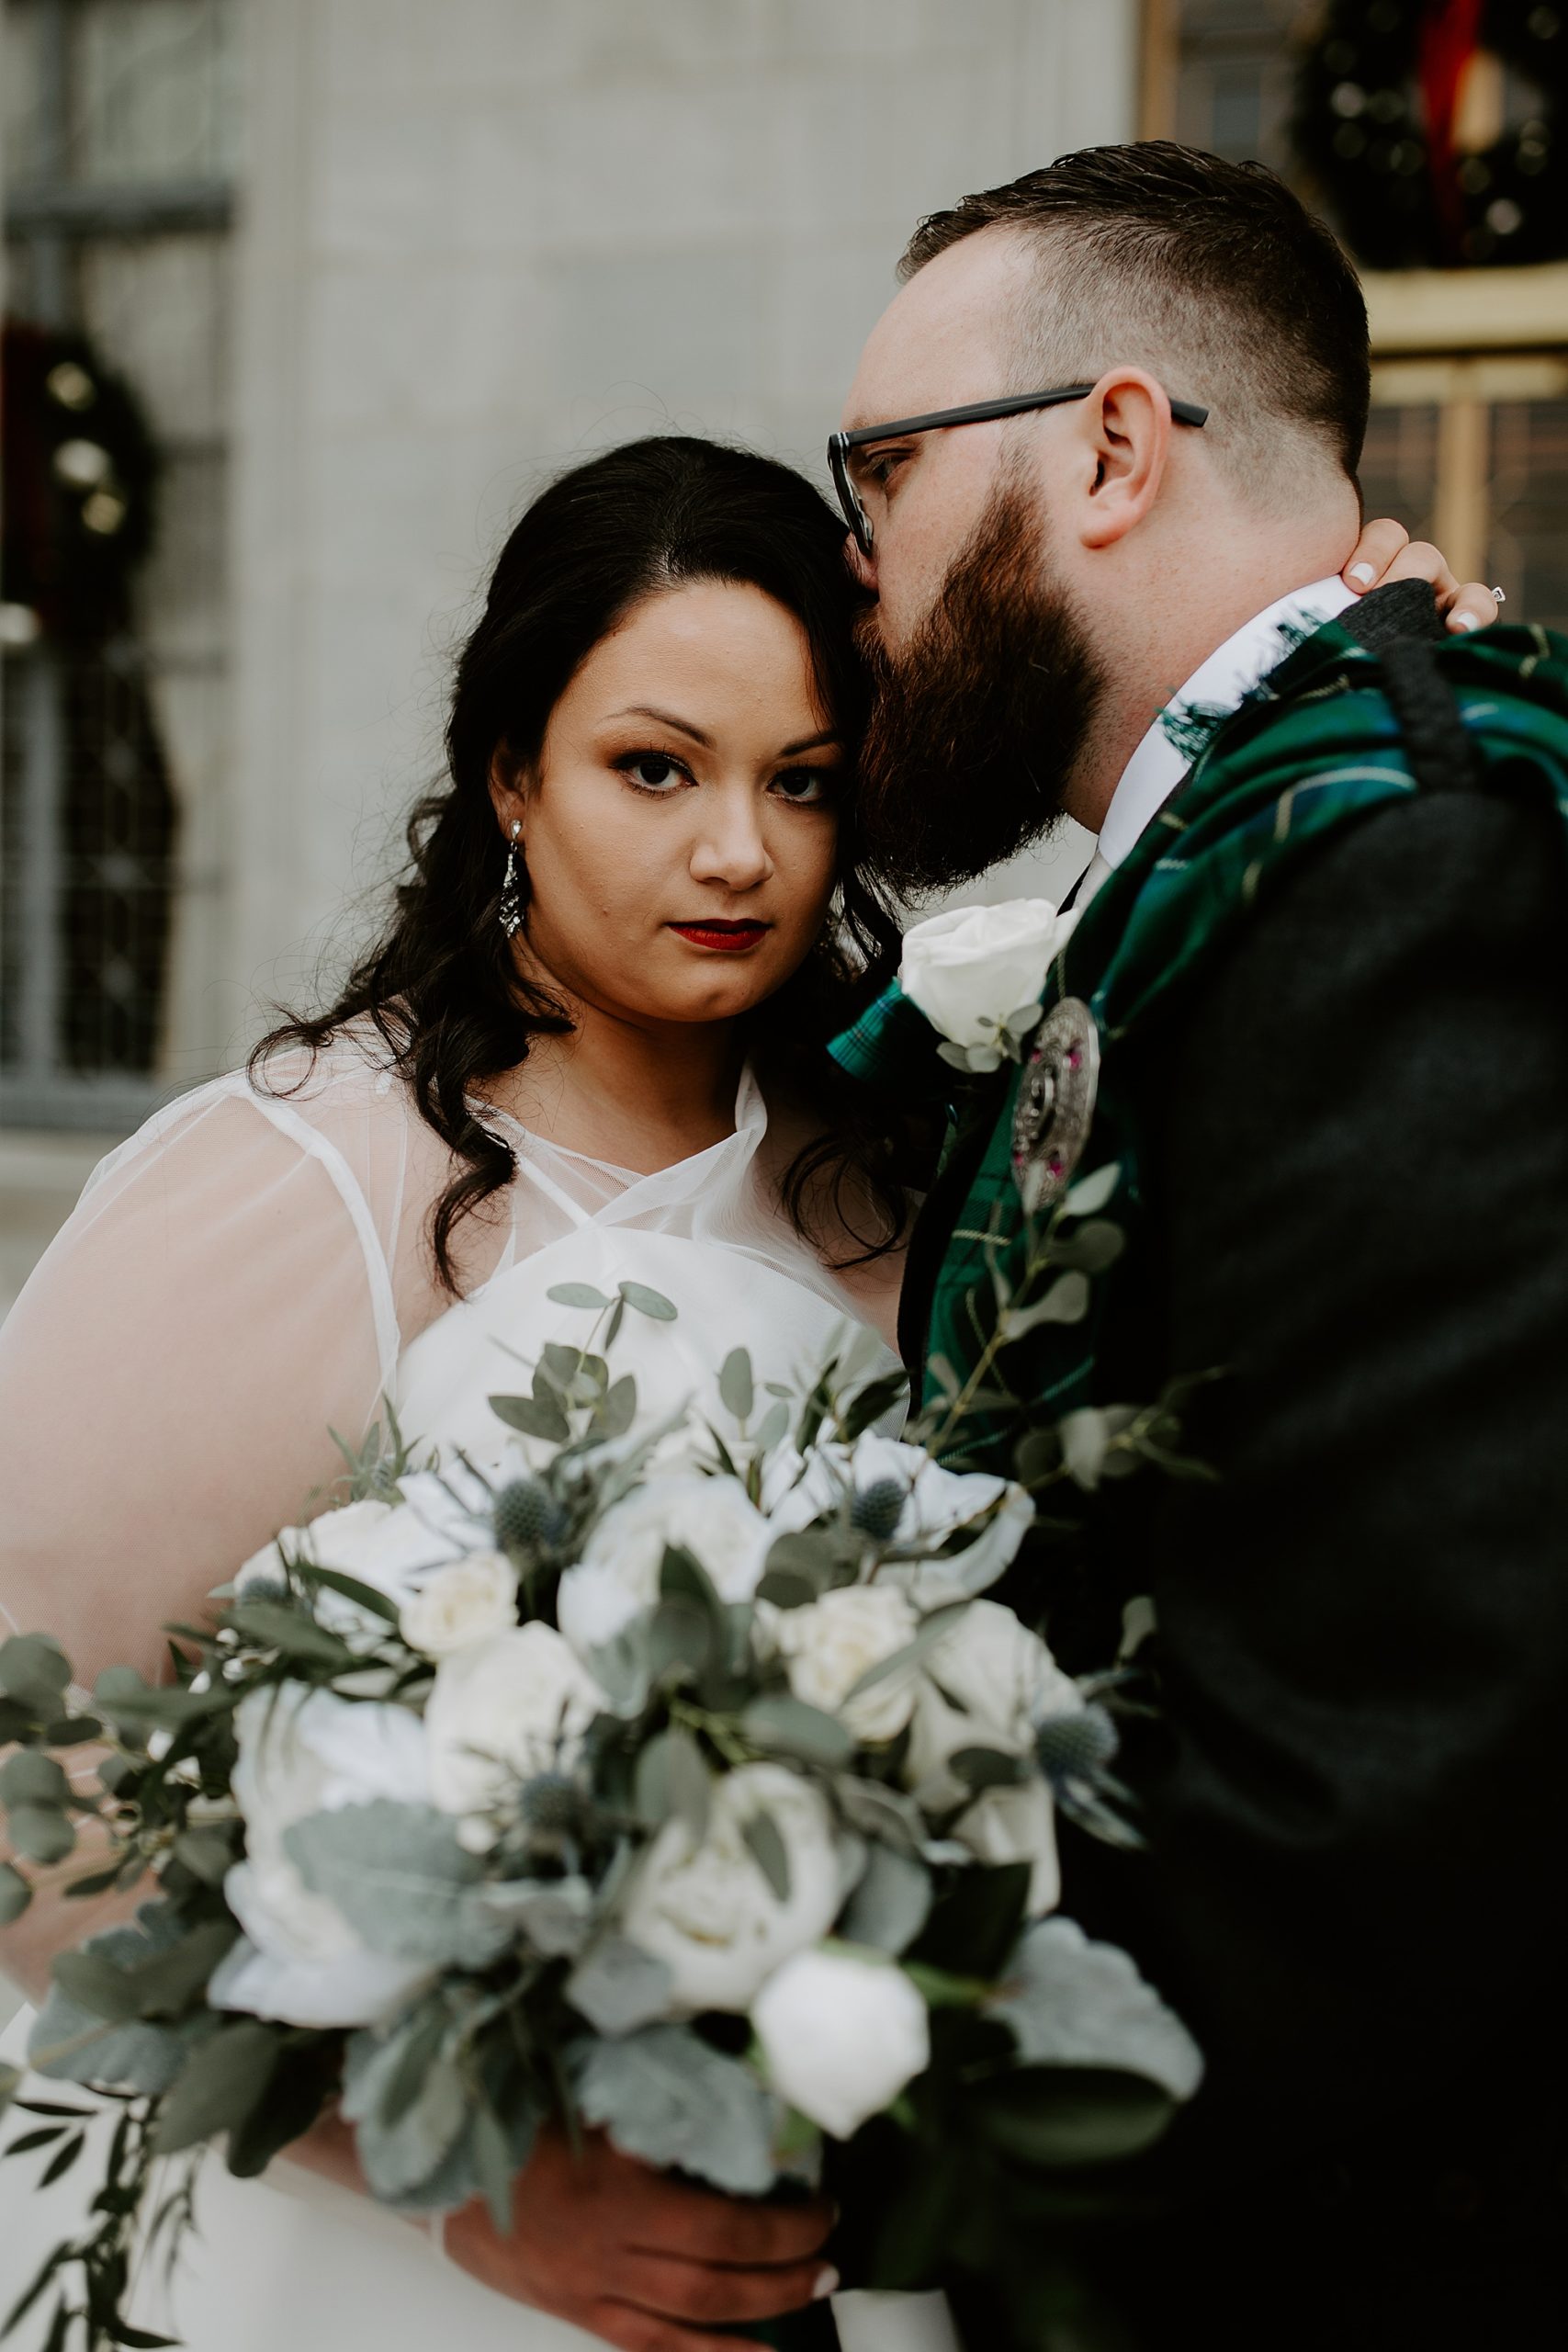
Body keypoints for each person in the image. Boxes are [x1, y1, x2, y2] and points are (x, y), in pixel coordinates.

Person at [0, 397, 1495, 2349]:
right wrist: (459, 2177)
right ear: (508, 774)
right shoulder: (298, 1188)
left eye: (802, 781)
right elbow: (35, 1787)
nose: (737, 852)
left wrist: (1354, 647)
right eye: (653, 767)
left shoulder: (919, 1173)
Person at [828, 141, 1568, 2348]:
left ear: (1112, 448)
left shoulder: (1404, 860)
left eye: (879, 473)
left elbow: (1388, 1774)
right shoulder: (1246, 823)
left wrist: (809, 2109)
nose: (855, 564)